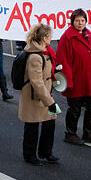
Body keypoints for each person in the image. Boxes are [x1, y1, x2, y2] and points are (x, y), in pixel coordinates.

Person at [56, 9, 91, 146]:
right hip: (76, 79)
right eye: (77, 21)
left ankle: (89, 132)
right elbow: (63, 61)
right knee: (75, 108)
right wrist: (68, 81)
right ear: (72, 21)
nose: (80, 23)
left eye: (82, 20)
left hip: (90, 78)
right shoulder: (67, 37)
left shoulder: (88, 34)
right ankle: (70, 133)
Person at [18, 23, 61, 165]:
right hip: (35, 98)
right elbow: (37, 82)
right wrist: (50, 102)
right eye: (50, 36)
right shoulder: (35, 57)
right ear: (44, 37)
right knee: (32, 127)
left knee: (50, 124)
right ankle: (30, 156)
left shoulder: (45, 52)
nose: (51, 38)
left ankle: (46, 152)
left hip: (44, 96)